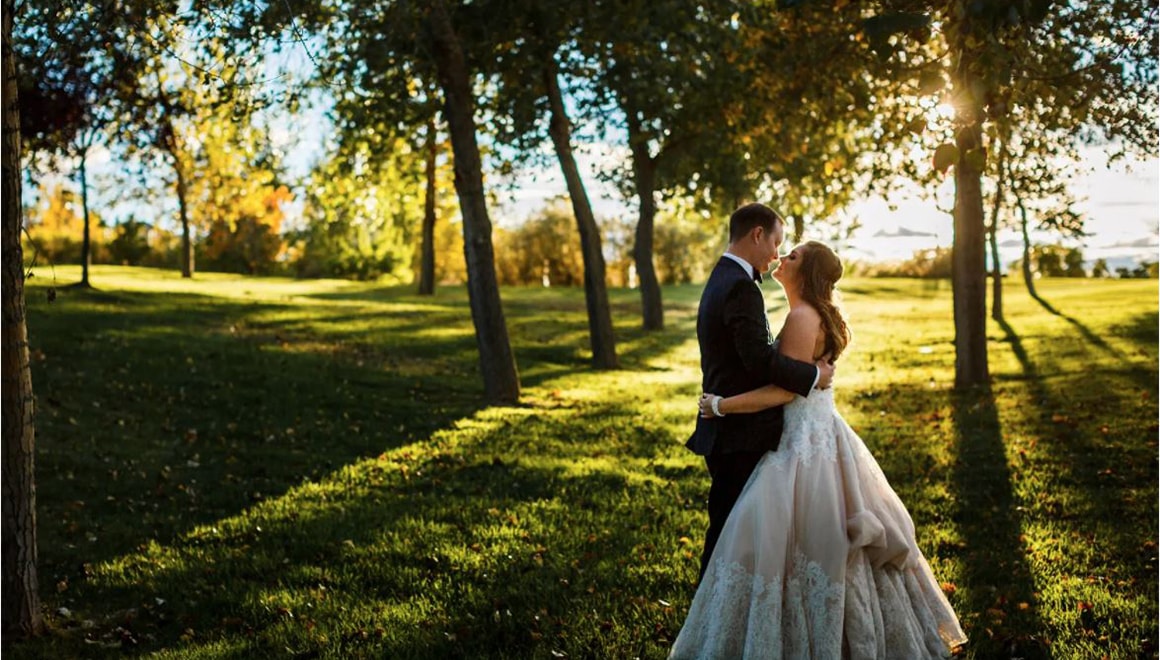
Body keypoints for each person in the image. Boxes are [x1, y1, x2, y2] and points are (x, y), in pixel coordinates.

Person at [670, 240, 967, 658]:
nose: (781, 257)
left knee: (794, 542)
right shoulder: (811, 316)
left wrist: (721, 405)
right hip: (822, 436)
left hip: (801, 446)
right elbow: (800, 379)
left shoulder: (802, 317)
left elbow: (783, 392)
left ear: (804, 273)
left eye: (791, 256)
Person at [685, 203, 835, 585]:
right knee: (727, 537)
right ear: (757, 234)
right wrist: (813, 374)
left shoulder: (725, 278)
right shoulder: (739, 286)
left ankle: (721, 616)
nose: (775, 255)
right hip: (736, 435)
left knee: (733, 534)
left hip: (735, 431)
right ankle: (709, 622)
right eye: (775, 243)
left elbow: (755, 358)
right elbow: (758, 362)